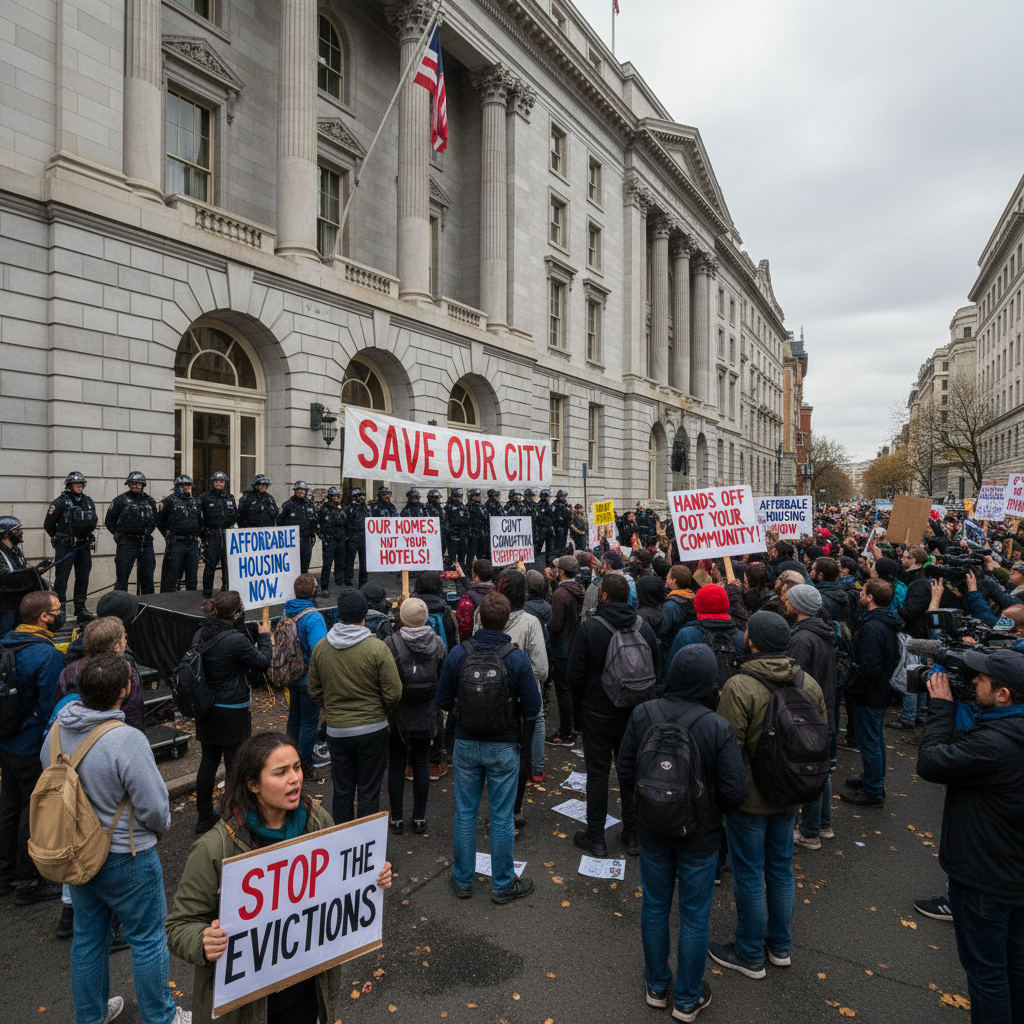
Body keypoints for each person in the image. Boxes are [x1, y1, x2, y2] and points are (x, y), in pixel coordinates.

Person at [166, 731, 392, 1024]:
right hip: (247, 1008)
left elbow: (339, 880)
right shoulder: (214, 848)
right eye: (280, 772)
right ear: (253, 785)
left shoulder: (316, 819)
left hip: (307, 992)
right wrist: (202, 941)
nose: (295, 779)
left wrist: (371, 877)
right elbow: (178, 926)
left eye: (297, 767)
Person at [42, 653, 187, 1024]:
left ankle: (91, 1016)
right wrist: (160, 827)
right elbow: (154, 806)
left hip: (78, 853)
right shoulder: (126, 740)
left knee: (88, 938)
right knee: (148, 939)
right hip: (127, 854)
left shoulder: (56, 731)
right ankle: (161, 1017)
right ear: (123, 691)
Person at [617, 646, 748, 1022]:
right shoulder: (716, 726)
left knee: (655, 906)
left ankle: (657, 985)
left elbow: (625, 769)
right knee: (694, 916)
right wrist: (710, 811)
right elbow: (735, 790)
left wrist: (646, 805)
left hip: (652, 829)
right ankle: (688, 998)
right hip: (700, 837)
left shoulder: (643, 714)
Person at [710, 610, 826, 978]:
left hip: (750, 798)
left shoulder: (739, 686)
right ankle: (780, 945)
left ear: (752, 641)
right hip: (792, 793)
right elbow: (820, 737)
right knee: (780, 868)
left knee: (748, 873)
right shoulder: (808, 683)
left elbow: (727, 747)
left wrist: (726, 793)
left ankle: (749, 952)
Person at [916, 650, 1024, 1023]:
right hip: (1012, 870)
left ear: (1003, 695)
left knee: (986, 974)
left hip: (984, 877)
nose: (973, 680)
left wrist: (941, 708)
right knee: (1015, 965)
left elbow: (931, 762)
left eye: (981, 678)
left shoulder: (995, 743)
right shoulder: (1007, 732)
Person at [436, 591, 540, 903]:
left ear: (479, 618)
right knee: (502, 816)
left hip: (466, 742)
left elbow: (442, 700)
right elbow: (533, 707)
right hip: (503, 746)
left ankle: (462, 880)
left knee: (465, 813)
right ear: (507, 620)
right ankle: (503, 884)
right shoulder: (516, 658)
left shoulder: (459, 653)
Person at [568, 572, 661, 858]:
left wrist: (581, 709)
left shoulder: (590, 629)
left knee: (597, 774)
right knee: (629, 772)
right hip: (635, 712)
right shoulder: (643, 628)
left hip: (598, 712)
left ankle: (596, 837)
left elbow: (574, 676)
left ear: (604, 596)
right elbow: (656, 668)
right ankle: (632, 835)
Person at [308, 589, 402, 823]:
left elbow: (314, 691)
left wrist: (332, 706)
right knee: (369, 791)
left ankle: (343, 840)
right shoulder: (377, 648)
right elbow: (393, 692)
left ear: (339, 614)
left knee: (342, 790)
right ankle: (366, 842)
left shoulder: (321, 648)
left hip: (337, 730)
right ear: (364, 615)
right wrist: (378, 710)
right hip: (373, 729)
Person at [0, 591, 66, 905]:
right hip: (29, 746)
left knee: (9, 805)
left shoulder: (7, 642)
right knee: (34, 809)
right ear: (44, 617)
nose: (60, 614)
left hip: (6, 740)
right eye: (57, 610)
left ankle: (5, 873)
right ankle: (29, 878)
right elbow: (49, 707)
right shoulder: (47, 655)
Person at [192, 591, 273, 834]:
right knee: (234, 765)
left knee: (208, 762)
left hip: (206, 708)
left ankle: (204, 816)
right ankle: (234, 813)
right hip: (232, 710)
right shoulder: (236, 641)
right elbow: (262, 661)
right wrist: (265, 636)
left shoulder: (200, 634)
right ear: (236, 614)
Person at [383, 598, 447, 834]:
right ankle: (419, 817)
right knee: (421, 763)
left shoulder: (391, 642)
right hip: (426, 709)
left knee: (397, 765)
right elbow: (442, 672)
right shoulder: (437, 643)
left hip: (398, 711)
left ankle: (397, 819)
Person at [784, 585, 837, 850]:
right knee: (821, 769)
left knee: (809, 770)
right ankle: (823, 824)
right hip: (824, 707)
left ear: (798, 606)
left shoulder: (802, 639)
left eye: (789, 599)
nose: (785, 602)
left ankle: (810, 832)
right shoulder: (822, 632)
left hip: (807, 711)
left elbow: (793, 677)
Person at [841, 578, 900, 808]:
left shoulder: (873, 626)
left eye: (863, 591)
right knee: (875, 739)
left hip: (870, 693)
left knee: (869, 742)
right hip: (878, 689)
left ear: (870, 597)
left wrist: (852, 687)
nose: (859, 594)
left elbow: (869, 667)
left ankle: (873, 790)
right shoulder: (883, 621)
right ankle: (873, 780)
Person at [282, 574, 329, 778]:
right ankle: (304, 765)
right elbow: (320, 650)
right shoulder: (313, 617)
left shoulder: (287, 611)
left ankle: (289, 759)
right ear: (313, 591)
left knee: (294, 718)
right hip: (308, 677)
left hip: (290, 673)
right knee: (309, 722)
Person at [43, 471, 98, 623]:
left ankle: (80, 608)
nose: (79, 486)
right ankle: (58, 610)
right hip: (66, 546)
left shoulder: (88, 501)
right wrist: (59, 538)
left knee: (83, 577)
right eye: (76, 484)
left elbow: (93, 520)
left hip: (83, 545)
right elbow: (48, 524)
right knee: (62, 579)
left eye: (81, 484)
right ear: (69, 486)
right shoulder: (60, 502)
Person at [547, 555, 585, 744]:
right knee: (574, 689)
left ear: (561, 571)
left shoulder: (560, 594)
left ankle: (565, 733)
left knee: (563, 691)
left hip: (562, 648)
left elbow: (555, 625)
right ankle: (576, 726)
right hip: (576, 645)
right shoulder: (580, 589)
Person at [105, 471, 159, 593]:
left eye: (139, 484)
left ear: (143, 485)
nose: (136, 486)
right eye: (133, 483)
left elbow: (155, 521)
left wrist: (146, 533)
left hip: (145, 543)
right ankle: (121, 603)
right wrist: (119, 537)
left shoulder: (150, 501)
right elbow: (109, 521)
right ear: (129, 484)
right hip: (127, 543)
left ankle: (148, 604)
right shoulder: (120, 500)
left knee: (147, 577)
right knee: (122, 577)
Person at [157, 474, 202, 593]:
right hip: (176, 542)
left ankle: (191, 599)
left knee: (192, 575)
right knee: (172, 574)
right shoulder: (169, 501)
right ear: (177, 487)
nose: (186, 488)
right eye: (183, 486)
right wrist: (166, 534)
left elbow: (199, 521)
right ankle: (169, 599)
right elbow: (159, 520)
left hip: (192, 543)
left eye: (188, 485)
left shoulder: (195, 502)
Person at [198, 471, 236, 598]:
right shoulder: (205, 497)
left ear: (225, 483)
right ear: (213, 483)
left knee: (228, 563)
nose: (219, 484)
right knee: (211, 563)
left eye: (221, 482)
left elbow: (235, 515)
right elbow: (198, 517)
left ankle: (226, 589)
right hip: (212, 533)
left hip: (227, 533)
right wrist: (204, 533)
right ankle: (207, 593)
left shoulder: (229, 497)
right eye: (216, 482)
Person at [277, 481, 319, 575]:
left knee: (304, 568)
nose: (300, 492)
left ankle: (303, 584)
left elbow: (315, 521)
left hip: (306, 541)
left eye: (302, 490)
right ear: (294, 491)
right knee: (292, 568)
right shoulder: (288, 505)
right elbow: (280, 522)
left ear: (305, 491)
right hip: (292, 542)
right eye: (298, 490)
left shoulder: (310, 505)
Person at [317, 486, 347, 598]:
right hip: (329, 540)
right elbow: (318, 524)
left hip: (340, 539)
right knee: (327, 564)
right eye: (335, 496)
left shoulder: (340, 508)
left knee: (340, 563)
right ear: (330, 497)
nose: (337, 498)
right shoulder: (324, 509)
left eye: (339, 496)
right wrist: (322, 537)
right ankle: (324, 587)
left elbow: (344, 523)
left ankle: (339, 582)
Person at [456, 558, 495, 641]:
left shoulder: (468, 598)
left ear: (476, 576)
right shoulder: (499, 593)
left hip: (475, 643)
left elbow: (464, 628)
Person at [344, 487, 370, 588]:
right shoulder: (349, 509)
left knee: (364, 563)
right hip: (352, 537)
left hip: (363, 537)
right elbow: (345, 523)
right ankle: (349, 582)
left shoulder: (366, 508)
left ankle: (363, 583)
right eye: (359, 496)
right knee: (350, 561)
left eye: (363, 495)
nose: (361, 497)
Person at [445, 489, 470, 569]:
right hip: (453, 534)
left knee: (462, 553)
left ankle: (461, 568)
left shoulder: (463, 506)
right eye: (459, 497)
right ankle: (452, 568)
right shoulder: (448, 507)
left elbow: (467, 518)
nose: (460, 499)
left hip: (462, 533)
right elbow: (446, 521)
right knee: (452, 554)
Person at [466, 488, 490, 561]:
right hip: (474, 532)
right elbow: (468, 520)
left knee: (482, 550)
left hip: (482, 531)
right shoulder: (469, 506)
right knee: (472, 551)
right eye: (477, 496)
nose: (479, 497)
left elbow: (485, 517)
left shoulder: (482, 506)